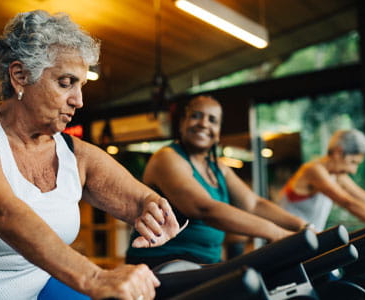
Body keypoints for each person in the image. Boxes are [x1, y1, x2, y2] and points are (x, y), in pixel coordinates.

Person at [0, 10, 182, 300]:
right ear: (20, 76)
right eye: (66, 83)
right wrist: (95, 277)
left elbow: (142, 202)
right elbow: (3, 212)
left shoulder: (74, 154)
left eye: (81, 85)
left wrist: (156, 212)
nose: (78, 100)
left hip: (37, 290)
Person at [126, 95, 308, 269]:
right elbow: (205, 209)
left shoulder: (218, 168)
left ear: (218, 133)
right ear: (182, 123)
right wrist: (276, 233)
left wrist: (302, 226)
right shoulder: (167, 158)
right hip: (163, 263)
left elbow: (254, 204)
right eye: (196, 116)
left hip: (205, 263)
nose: (204, 123)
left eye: (212, 120)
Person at [279, 129, 365, 231]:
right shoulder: (314, 170)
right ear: (338, 152)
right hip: (285, 243)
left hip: (304, 240)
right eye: (353, 162)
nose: (353, 170)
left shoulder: (337, 176)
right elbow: (349, 204)